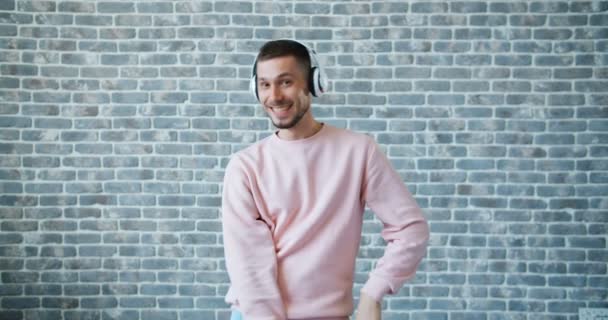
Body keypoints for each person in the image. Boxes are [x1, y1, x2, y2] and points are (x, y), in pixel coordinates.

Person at [221, 39, 429, 320]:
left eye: (285, 82)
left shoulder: (358, 152)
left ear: (314, 83)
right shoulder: (245, 166)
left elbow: (410, 229)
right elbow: (248, 264)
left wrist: (373, 293)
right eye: (265, 84)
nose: (274, 96)